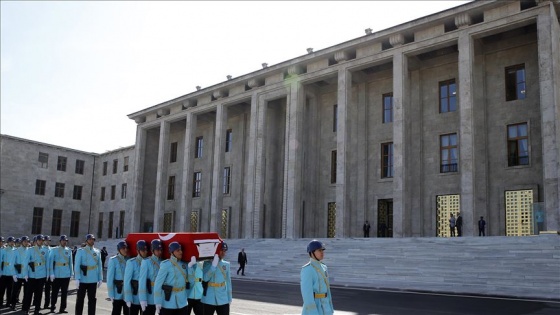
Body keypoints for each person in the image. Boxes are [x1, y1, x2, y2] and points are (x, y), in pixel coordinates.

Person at [154, 241, 190, 314]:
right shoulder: (165, 264)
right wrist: (157, 302)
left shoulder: (184, 264)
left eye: (181, 250)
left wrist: (192, 266)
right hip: (168, 302)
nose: (181, 252)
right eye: (178, 250)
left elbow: (191, 280)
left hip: (182, 302)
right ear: (172, 252)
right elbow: (158, 284)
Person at [300, 240, 334, 315]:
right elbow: (307, 295)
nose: (322, 252)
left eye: (322, 250)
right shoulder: (308, 269)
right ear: (312, 252)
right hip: (316, 308)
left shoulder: (324, 267)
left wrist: (330, 308)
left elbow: (327, 290)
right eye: (319, 250)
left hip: (326, 308)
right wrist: (313, 312)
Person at [74, 233, 103, 315]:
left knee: (92, 300)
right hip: (82, 279)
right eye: (90, 239)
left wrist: (100, 278)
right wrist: (77, 278)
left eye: (93, 239)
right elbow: (77, 265)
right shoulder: (81, 251)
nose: (92, 241)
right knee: (80, 300)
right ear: (86, 241)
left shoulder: (97, 252)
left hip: (93, 279)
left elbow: (99, 265)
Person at [201, 242, 232, 315]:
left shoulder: (226, 265)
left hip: (223, 298)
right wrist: (213, 266)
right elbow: (205, 278)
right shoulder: (207, 263)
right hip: (209, 298)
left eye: (225, 251)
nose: (223, 253)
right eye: (221, 250)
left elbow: (228, 282)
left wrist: (229, 298)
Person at [22, 235, 48, 315]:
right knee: (29, 293)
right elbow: (25, 262)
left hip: (42, 274)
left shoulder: (45, 250)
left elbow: (47, 263)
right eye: (39, 240)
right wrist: (25, 274)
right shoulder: (30, 250)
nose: (41, 241)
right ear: (36, 241)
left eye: (42, 240)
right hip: (32, 275)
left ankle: (37, 310)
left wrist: (47, 274)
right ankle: (27, 309)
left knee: (39, 294)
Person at [48, 235, 73, 313]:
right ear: (60, 241)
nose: (65, 242)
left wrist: (71, 273)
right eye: (63, 240)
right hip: (57, 274)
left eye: (66, 241)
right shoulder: (54, 250)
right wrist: (51, 273)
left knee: (64, 292)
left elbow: (70, 262)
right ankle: (52, 307)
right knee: (55, 292)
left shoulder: (69, 250)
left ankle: (62, 308)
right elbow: (51, 262)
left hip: (66, 274)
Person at [124, 240, 149, 315]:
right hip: (134, 297)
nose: (145, 252)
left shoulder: (149, 262)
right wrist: (128, 297)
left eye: (146, 250)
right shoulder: (131, 262)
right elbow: (127, 281)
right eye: (143, 250)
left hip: (146, 296)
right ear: (138, 251)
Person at [139, 239, 163, 315]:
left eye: (160, 250)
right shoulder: (146, 262)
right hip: (150, 296)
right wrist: (143, 299)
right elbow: (142, 281)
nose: (159, 252)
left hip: (161, 295)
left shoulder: (163, 262)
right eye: (157, 250)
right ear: (152, 250)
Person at [107, 240, 129, 315]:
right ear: (119, 250)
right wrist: (111, 294)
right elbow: (110, 278)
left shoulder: (129, 260)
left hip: (127, 292)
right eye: (123, 248)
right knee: (116, 312)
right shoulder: (113, 260)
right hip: (117, 292)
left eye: (126, 248)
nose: (125, 250)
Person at [10, 236, 30, 310]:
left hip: (26, 274)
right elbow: (12, 263)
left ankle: (24, 306)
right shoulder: (16, 251)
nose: (26, 243)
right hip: (18, 274)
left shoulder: (30, 250)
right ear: (22, 242)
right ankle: (13, 304)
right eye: (25, 241)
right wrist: (14, 274)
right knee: (15, 290)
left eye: (27, 241)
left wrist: (28, 273)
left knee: (27, 292)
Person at [0, 236, 16, 309]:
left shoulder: (16, 250)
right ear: (8, 242)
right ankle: (0, 302)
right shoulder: (3, 250)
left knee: (10, 290)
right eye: (10, 241)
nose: (12, 243)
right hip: (4, 273)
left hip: (11, 273)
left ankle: (8, 303)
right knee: (1, 289)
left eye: (13, 241)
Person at [43, 235, 53, 309]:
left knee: (48, 290)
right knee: (37, 290)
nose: (47, 242)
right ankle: (35, 303)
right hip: (42, 272)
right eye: (46, 240)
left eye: (48, 240)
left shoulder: (52, 249)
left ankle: (46, 304)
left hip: (49, 273)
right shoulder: (41, 249)